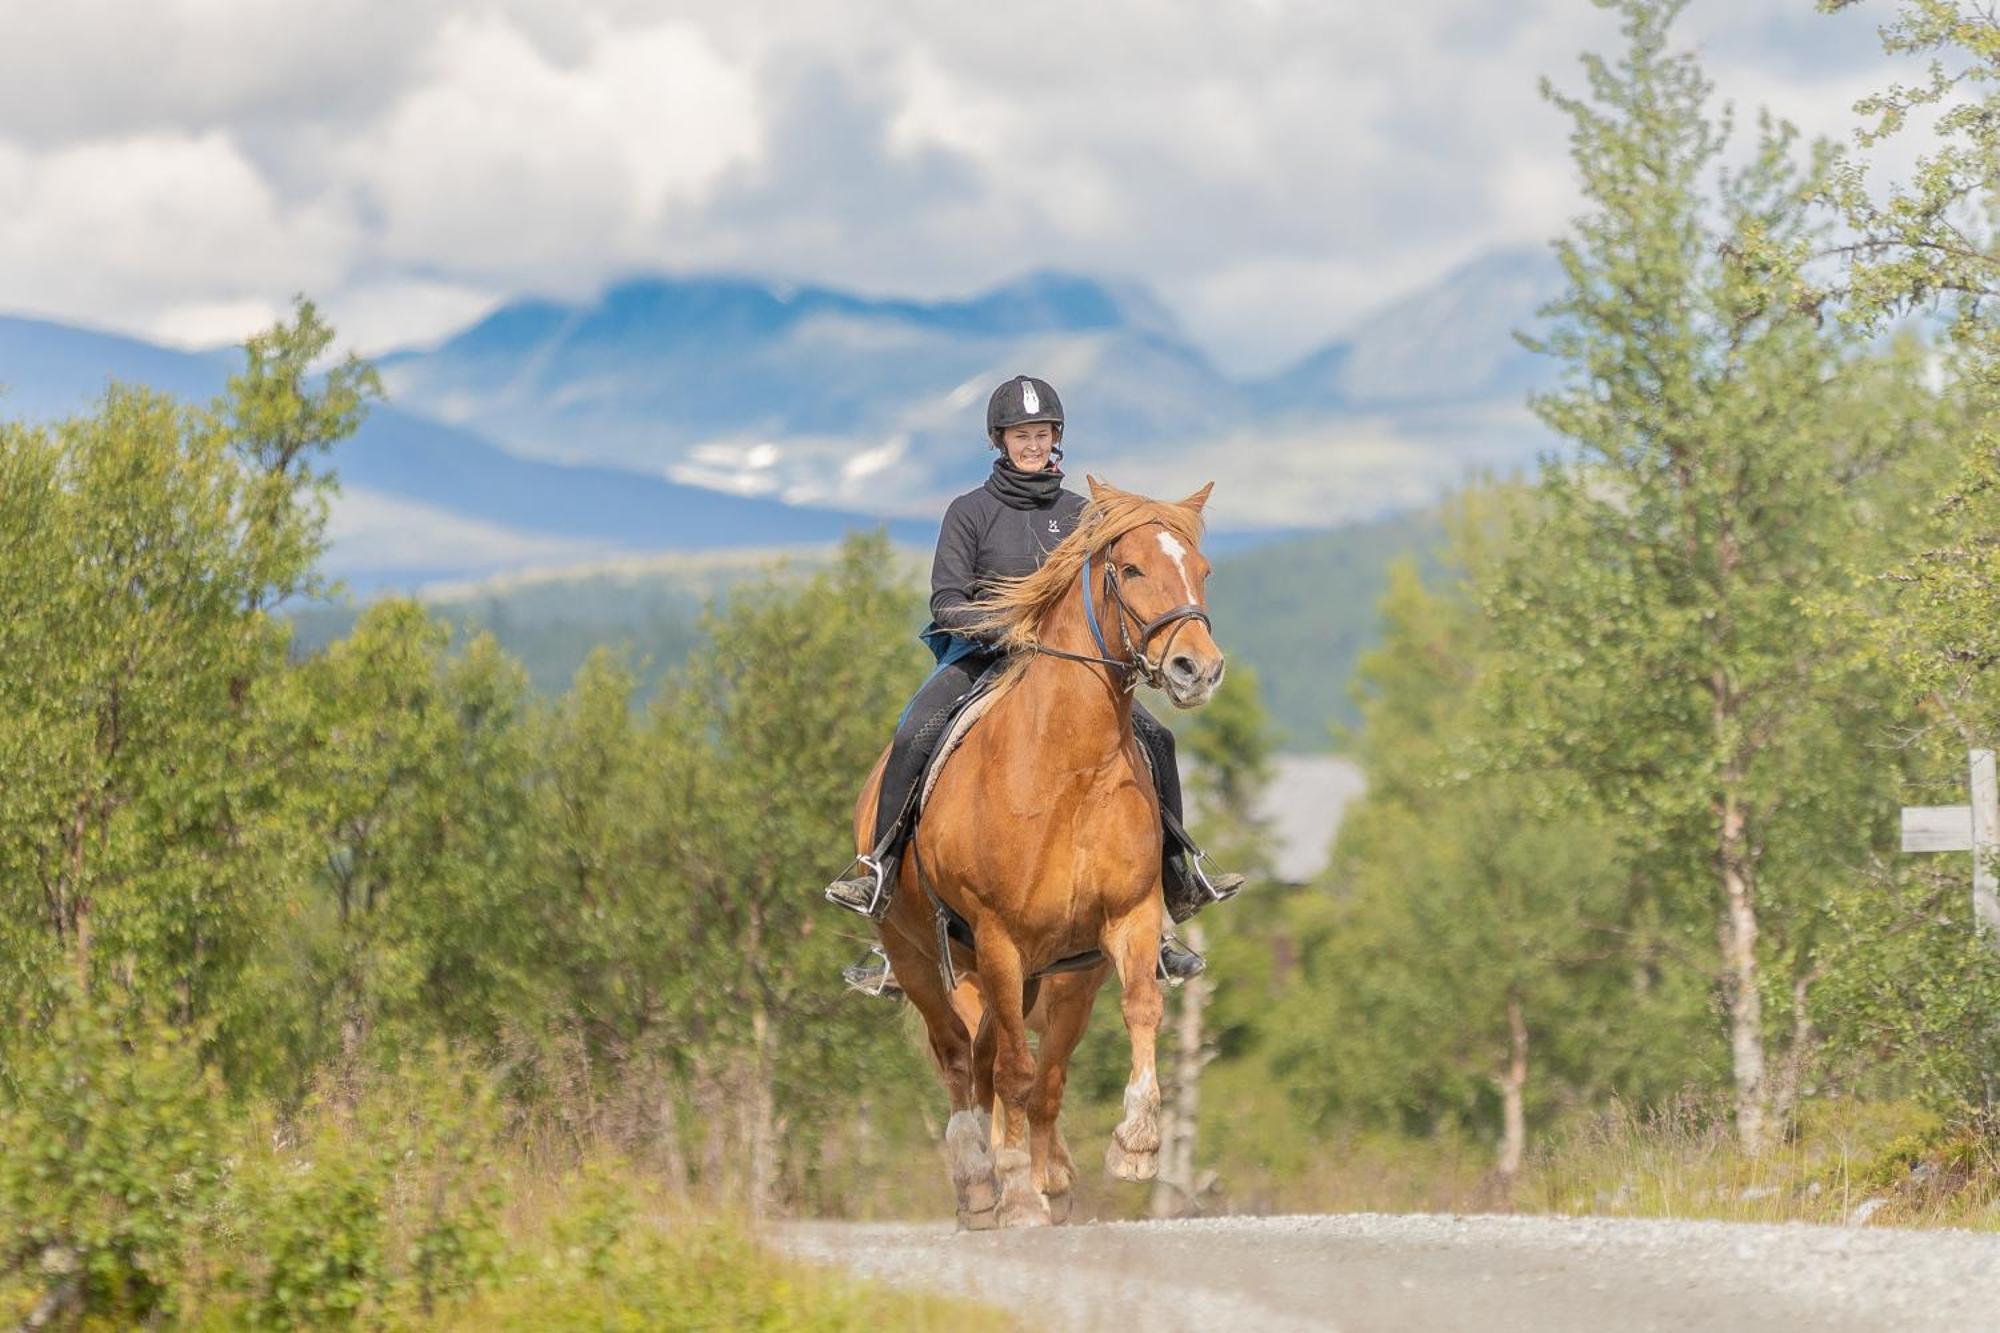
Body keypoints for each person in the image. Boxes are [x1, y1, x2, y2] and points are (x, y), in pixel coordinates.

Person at [824, 374, 1244, 995]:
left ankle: (1175, 881)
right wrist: (1005, 628)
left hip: (1065, 675)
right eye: (1022, 435)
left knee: (1157, 740)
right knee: (917, 727)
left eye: (1042, 434)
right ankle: (880, 872)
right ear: (1001, 440)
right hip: (983, 659)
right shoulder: (968, 512)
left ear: (1056, 440)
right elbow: (945, 600)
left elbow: (1110, 593)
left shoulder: (1081, 516)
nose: (1033, 445)